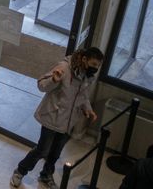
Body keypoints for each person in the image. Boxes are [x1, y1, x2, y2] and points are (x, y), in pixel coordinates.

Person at [10, 47, 104, 189]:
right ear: (84, 59)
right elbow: (41, 85)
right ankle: (20, 171)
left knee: (55, 152)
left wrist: (88, 110)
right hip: (52, 118)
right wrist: (54, 79)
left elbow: (83, 96)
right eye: (94, 64)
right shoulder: (64, 68)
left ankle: (46, 174)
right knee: (42, 150)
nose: (95, 68)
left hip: (68, 122)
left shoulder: (87, 76)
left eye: (98, 65)